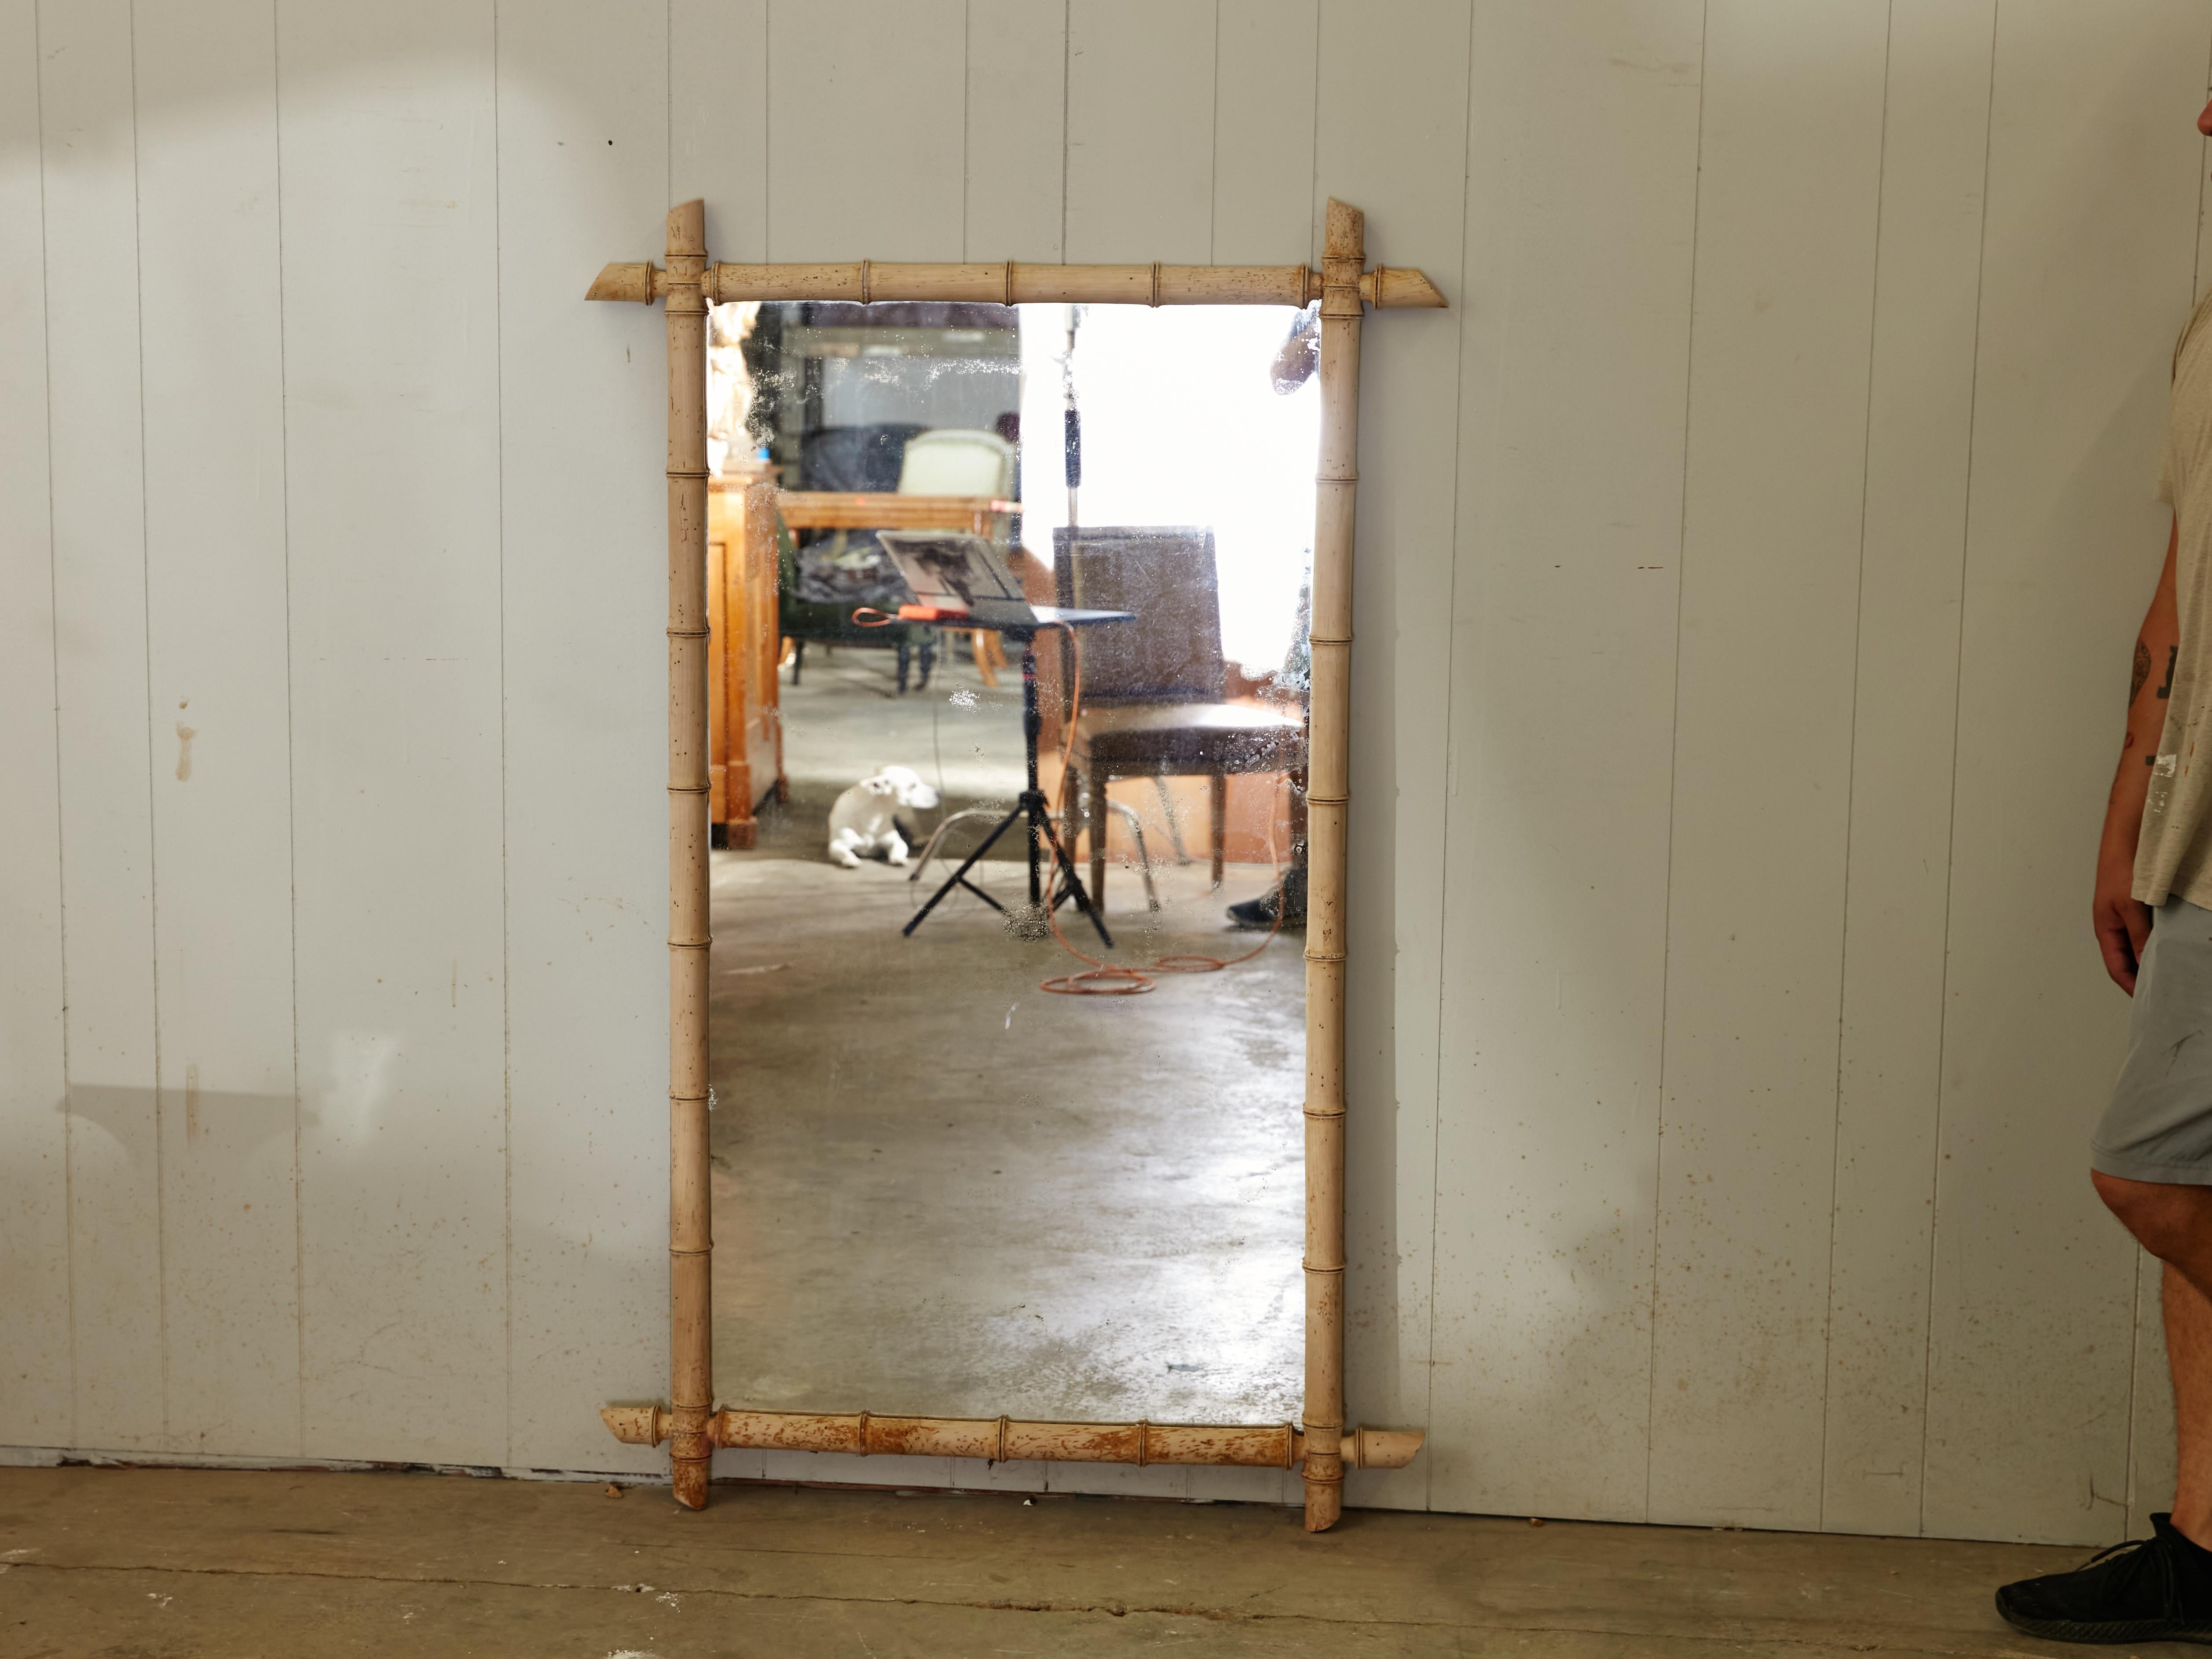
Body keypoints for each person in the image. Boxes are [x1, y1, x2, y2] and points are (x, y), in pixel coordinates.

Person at [1994, 95, 2212, 1644]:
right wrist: (2129, 811)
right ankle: (2205, 1545)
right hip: (2200, 834)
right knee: (2185, 1180)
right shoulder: (2206, 338)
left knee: (2145, 1173)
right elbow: (2172, 595)